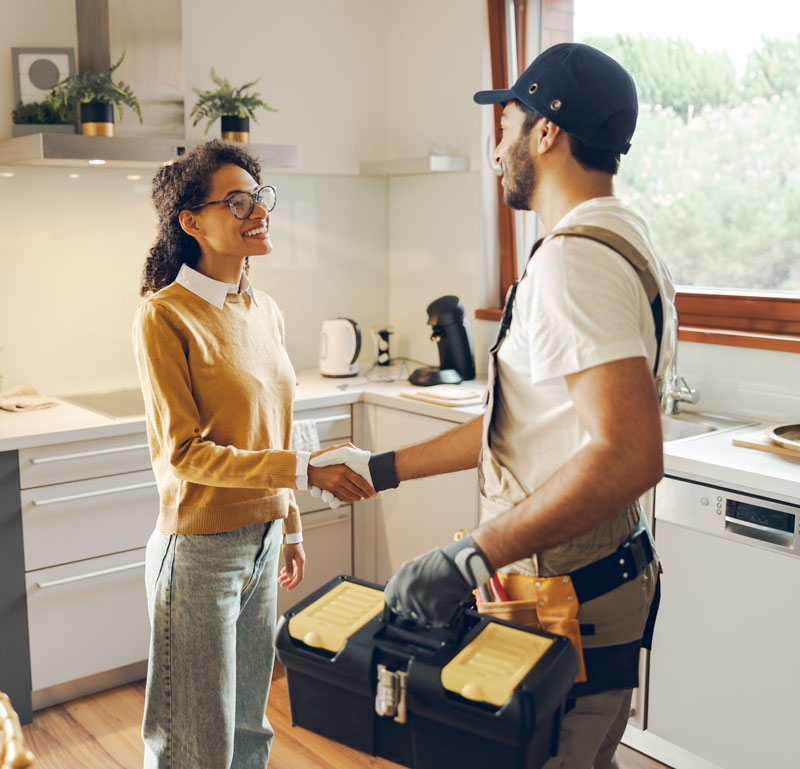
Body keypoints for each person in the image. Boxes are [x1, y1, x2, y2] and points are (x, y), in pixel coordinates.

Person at [311, 43, 677, 769]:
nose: (497, 148)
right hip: (599, 578)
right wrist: (381, 467)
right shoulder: (626, 235)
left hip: (571, 591)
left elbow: (630, 452)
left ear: (547, 132)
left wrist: (471, 555)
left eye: (507, 124)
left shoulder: (574, 260)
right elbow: (528, 428)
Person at [133, 139, 375, 769]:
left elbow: (280, 427)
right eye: (236, 201)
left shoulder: (264, 309)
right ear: (192, 222)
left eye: (260, 197)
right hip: (200, 554)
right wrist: (304, 473)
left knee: (248, 727)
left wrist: (289, 523)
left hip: (264, 540)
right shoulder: (165, 317)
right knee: (195, 740)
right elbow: (185, 453)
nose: (257, 210)